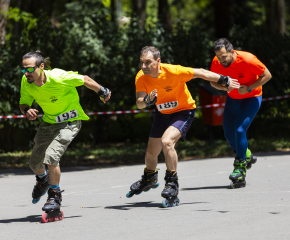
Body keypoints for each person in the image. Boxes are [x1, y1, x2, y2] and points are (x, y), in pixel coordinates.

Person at [126, 46, 240, 207]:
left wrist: (223, 79)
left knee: (167, 142)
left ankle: (172, 183)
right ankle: (149, 177)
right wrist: (146, 101)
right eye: (141, 63)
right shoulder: (141, 77)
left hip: (183, 111)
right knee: (151, 152)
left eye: (147, 62)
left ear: (158, 61)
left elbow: (200, 72)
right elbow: (139, 103)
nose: (143, 66)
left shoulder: (173, 71)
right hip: (162, 113)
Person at [19, 50, 111, 218]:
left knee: (51, 156)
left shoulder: (58, 76)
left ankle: (54, 195)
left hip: (70, 121)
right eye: (23, 70)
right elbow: (23, 102)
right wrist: (27, 110)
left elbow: (85, 80)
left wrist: (102, 91)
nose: (26, 73)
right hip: (49, 123)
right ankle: (43, 180)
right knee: (34, 162)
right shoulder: (26, 81)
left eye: (30, 69)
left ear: (41, 67)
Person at [210, 38, 272, 188]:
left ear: (232, 52)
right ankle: (247, 155)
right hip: (233, 98)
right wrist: (224, 88)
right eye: (218, 56)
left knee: (239, 130)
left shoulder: (248, 59)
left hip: (251, 97)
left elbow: (267, 75)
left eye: (224, 56)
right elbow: (212, 80)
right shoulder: (217, 61)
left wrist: (249, 88)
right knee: (228, 134)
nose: (221, 60)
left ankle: (240, 168)